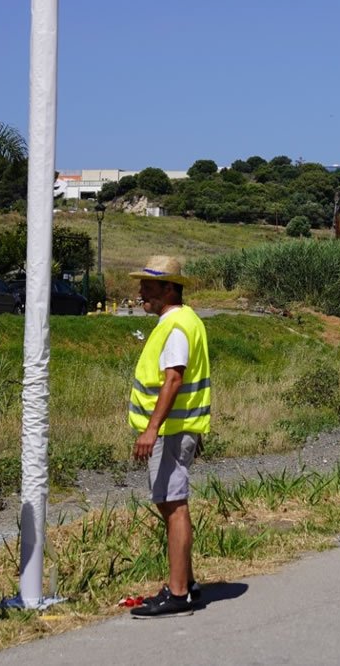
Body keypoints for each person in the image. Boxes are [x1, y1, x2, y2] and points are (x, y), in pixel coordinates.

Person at [126, 255, 212, 619]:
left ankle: (178, 594)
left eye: (148, 286)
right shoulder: (184, 320)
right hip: (178, 429)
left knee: (174, 506)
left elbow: (173, 380)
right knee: (169, 503)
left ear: (169, 289)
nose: (140, 292)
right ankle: (186, 583)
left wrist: (151, 429)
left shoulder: (175, 326)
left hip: (171, 431)